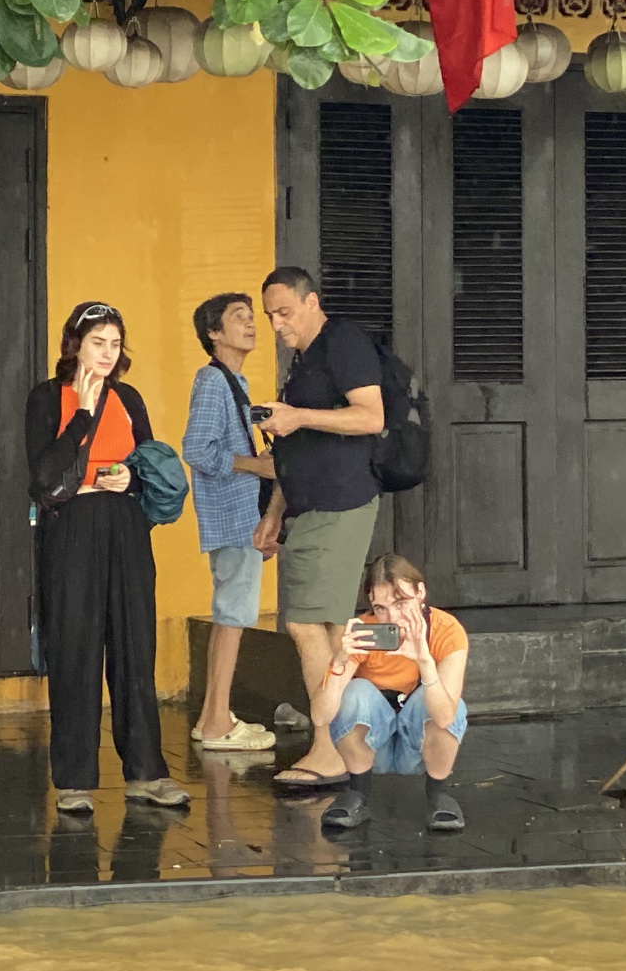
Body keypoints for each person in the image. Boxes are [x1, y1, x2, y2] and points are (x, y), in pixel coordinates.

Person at [25, 300, 189, 818]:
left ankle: (147, 772)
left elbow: (148, 460)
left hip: (125, 523)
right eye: (98, 342)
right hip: (71, 527)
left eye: (115, 344)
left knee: (134, 644)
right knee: (74, 649)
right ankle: (74, 778)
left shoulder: (130, 398)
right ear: (74, 345)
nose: (107, 353)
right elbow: (44, 475)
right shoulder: (48, 398)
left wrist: (131, 478)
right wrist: (83, 416)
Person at [252, 268, 385, 790]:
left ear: (312, 301)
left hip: (339, 503)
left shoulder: (342, 343)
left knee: (308, 625)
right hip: (311, 508)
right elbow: (295, 447)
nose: (276, 324)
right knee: (328, 628)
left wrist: (299, 416)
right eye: (269, 316)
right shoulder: (305, 359)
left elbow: (370, 416)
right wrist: (274, 513)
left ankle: (330, 749)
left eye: (284, 312)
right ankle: (351, 740)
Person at [304, 553, 469, 832]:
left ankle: (439, 793)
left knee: (449, 702)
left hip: (417, 745)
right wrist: (340, 662)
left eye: (401, 603)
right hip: (374, 744)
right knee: (354, 691)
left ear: (421, 593)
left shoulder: (446, 630)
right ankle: (357, 792)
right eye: (380, 608)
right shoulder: (364, 633)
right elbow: (320, 716)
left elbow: (444, 717)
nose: (391, 617)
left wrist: (425, 661)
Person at [181, 292, 275, 752]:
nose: (251, 324)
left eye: (252, 316)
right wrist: (256, 466)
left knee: (232, 614)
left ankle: (213, 716)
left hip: (240, 515)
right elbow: (197, 449)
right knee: (233, 616)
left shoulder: (232, 381)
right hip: (232, 516)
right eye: (239, 317)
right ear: (213, 334)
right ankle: (217, 722)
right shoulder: (213, 381)